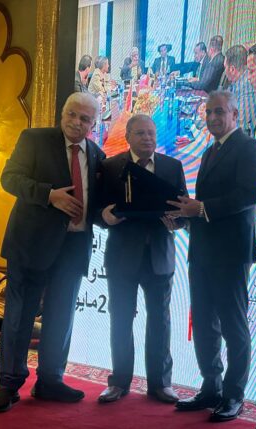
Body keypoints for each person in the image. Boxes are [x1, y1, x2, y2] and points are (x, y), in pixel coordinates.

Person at [0, 92, 106, 413]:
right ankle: (9, 385)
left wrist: (108, 216)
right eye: (71, 114)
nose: (76, 122)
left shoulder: (97, 155)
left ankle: (50, 380)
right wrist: (49, 195)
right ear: (62, 113)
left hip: (74, 249)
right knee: (19, 317)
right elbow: (10, 178)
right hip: (31, 245)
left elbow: (94, 204)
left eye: (84, 119)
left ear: (94, 123)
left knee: (61, 317)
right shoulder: (35, 139)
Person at [168, 90, 256, 422]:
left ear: (235, 115)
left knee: (233, 326)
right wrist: (184, 216)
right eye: (208, 112)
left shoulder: (249, 148)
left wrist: (201, 209)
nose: (212, 118)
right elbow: (204, 205)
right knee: (204, 324)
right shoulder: (211, 151)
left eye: (219, 112)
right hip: (202, 251)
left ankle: (234, 394)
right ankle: (211, 387)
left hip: (230, 253)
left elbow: (248, 195)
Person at [97, 114, 187, 405]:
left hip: (160, 256)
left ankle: (161, 384)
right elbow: (98, 210)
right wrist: (104, 217)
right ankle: (119, 382)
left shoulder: (173, 167)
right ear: (128, 137)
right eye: (141, 133)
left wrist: (178, 222)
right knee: (121, 319)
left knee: (160, 321)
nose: (148, 138)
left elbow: (183, 211)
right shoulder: (111, 167)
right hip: (122, 257)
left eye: (151, 133)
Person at [224, 44, 256, 136]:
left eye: (225, 67)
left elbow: (239, 128)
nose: (224, 71)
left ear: (232, 69)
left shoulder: (248, 87)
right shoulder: (237, 81)